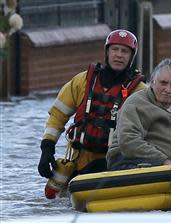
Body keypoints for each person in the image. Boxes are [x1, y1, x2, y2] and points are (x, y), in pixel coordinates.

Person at [38, 30, 147, 180]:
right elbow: (58, 116)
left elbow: (150, 129)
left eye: (125, 51)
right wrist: (47, 148)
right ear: (107, 52)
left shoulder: (139, 91)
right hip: (79, 159)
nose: (119, 55)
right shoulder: (82, 81)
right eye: (114, 49)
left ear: (131, 57)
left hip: (116, 162)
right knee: (53, 193)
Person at [106, 58, 171, 170]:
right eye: (163, 83)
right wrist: (164, 161)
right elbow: (128, 141)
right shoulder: (136, 103)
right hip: (129, 161)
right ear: (152, 81)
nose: (168, 89)